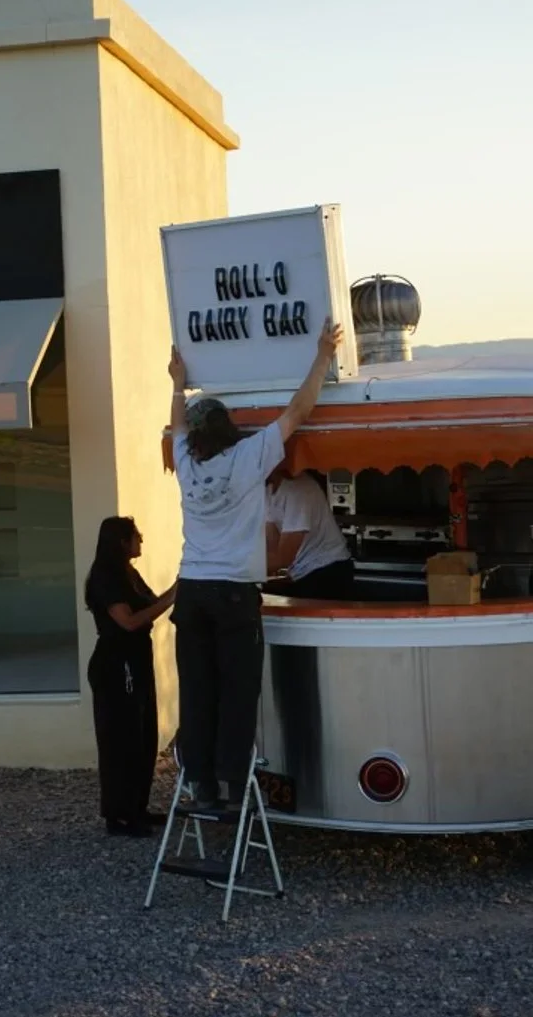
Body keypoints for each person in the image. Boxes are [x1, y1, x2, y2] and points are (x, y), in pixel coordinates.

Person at [168, 319, 343, 812]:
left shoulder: (186, 462)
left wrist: (177, 383)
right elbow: (297, 412)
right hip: (233, 593)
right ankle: (231, 787)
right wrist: (322, 356)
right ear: (231, 433)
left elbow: (178, 422)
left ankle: (200, 785)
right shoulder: (247, 458)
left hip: (191, 590)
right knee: (238, 692)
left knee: (198, 690)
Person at [84, 517, 177, 837]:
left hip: (137, 658)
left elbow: (150, 605)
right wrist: (172, 595)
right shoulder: (105, 576)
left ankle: (137, 806)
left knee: (143, 734)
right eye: (136, 536)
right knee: (120, 739)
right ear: (121, 541)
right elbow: (129, 621)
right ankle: (118, 814)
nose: (141, 541)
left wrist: (174, 593)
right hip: (116, 662)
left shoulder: (129, 573)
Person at [264, 468, 354, 600]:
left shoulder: (299, 489)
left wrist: (237, 569)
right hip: (301, 572)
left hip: (328, 571)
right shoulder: (267, 491)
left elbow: (283, 558)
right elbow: (272, 548)